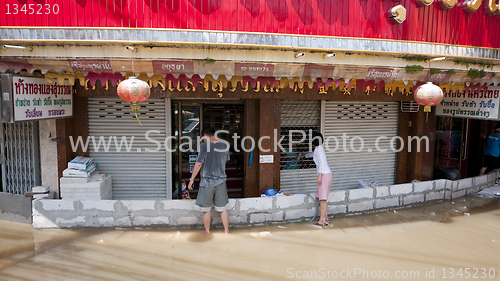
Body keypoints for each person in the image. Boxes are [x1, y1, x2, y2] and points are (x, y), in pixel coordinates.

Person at [188, 127, 231, 233]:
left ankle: (207, 232)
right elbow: (226, 160)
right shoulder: (225, 146)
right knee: (223, 208)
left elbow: (198, 164)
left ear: (205, 136)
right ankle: (226, 231)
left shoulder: (203, 146)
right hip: (221, 181)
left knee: (206, 209)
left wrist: (191, 179)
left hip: (207, 182)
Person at [304, 132, 332, 226]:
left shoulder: (318, 149)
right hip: (327, 174)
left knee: (322, 199)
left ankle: (322, 220)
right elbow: (313, 155)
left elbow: (322, 162)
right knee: (322, 198)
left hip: (324, 175)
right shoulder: (319, 149)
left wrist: (319, 175)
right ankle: (326, 218)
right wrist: (305, 155)